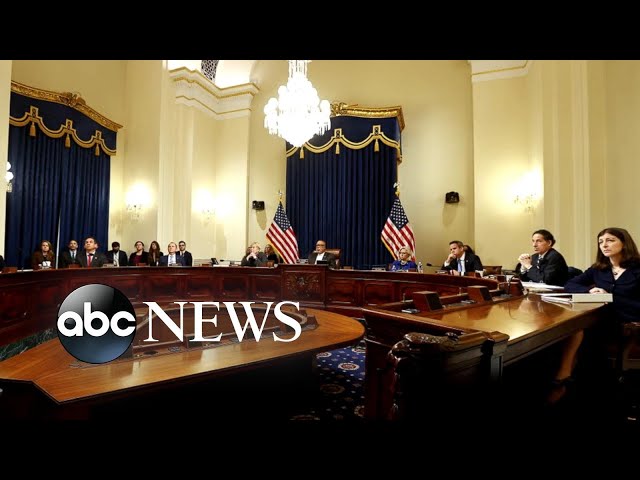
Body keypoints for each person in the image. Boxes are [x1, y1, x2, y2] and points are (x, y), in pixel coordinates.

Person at [548, 227, 640, 404]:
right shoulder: (599, 269)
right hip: (602, 322)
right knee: (570, 328)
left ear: (624, 243)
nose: (604, 245)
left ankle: (564, 379)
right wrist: (590, 290)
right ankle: (565, 378)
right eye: (600, 242)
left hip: (630, 325)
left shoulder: (637, 269)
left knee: (577, 330)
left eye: (610, 240)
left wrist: (612, 299)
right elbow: (570, 284)